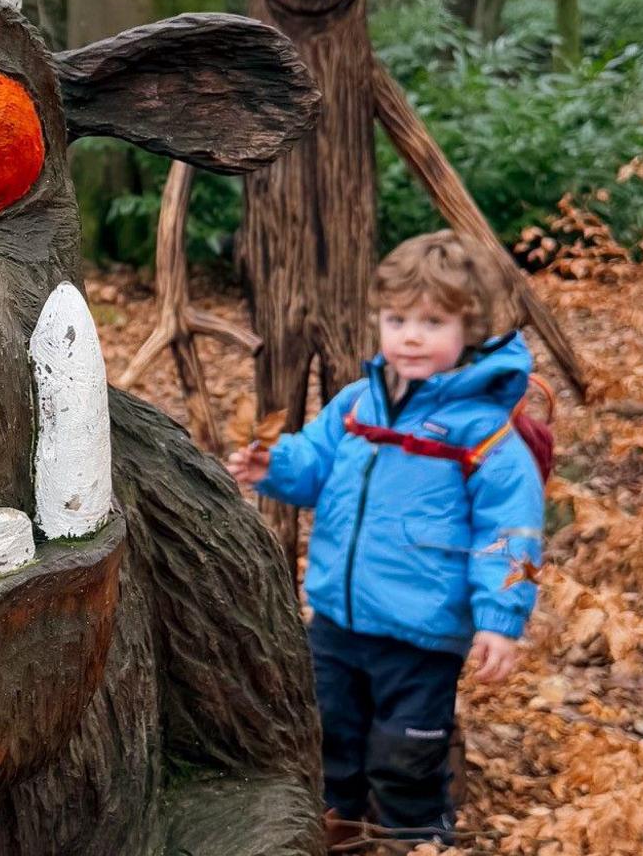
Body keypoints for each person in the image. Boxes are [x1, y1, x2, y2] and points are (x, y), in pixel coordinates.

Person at [228, 230, 546, 846]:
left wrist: (500, 620)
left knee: (406, 753)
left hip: (421, 632)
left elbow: (510, 532)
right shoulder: (357, 404)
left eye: (432, 321)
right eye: (397, 318)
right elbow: (316, 462)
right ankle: (338, 830)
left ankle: (415, 838)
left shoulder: (482, 431)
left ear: (470, 329)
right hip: (338, 621)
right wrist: (276, 465)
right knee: (330, 735)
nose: (410, 336)